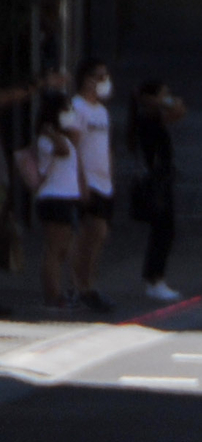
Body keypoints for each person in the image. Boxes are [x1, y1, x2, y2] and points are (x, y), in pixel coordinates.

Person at [66, 58, 117, 313]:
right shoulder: (77, 107)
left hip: (103, 181)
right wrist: (80, 180)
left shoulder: (102, 111)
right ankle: (79, 286)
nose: (103, 81)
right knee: (90, 232)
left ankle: (88, 285)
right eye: (99, 76)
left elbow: (105, 146)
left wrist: (110, 174)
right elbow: (73, 145)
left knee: (98, 235)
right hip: (87, 180)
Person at [129, 79, 187, 302]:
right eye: (163, 93)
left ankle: (156, 277)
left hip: (162, 179)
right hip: (154, 181)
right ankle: (155, 279)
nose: (168, 97)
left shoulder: (153, 117)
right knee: (162, 230)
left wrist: (165, 99)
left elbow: (179, 111)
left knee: (165, 230)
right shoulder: (146, 118)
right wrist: (161, 100)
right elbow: (174, 109)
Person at [29, 92, 85, 310]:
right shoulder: (47, 139)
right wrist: (52, 132)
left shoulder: (65, 137)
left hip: (68, 197)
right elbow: (61, 151)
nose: (70, 114)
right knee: (54, 248)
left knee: (64, 249)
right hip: (54, 197)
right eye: (66, 110)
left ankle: (61, 291)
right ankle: (52, 296)